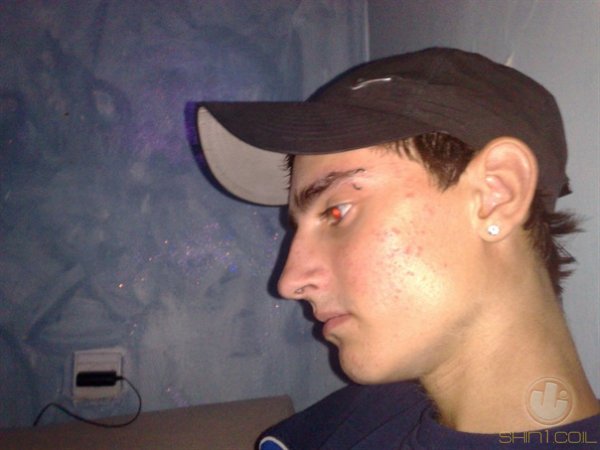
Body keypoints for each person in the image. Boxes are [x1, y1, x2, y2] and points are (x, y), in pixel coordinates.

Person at [195, 48, 600, 449]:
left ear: (496, 193)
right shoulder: (368, 409)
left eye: (336, 211)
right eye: (297, 227)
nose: (289, 282)